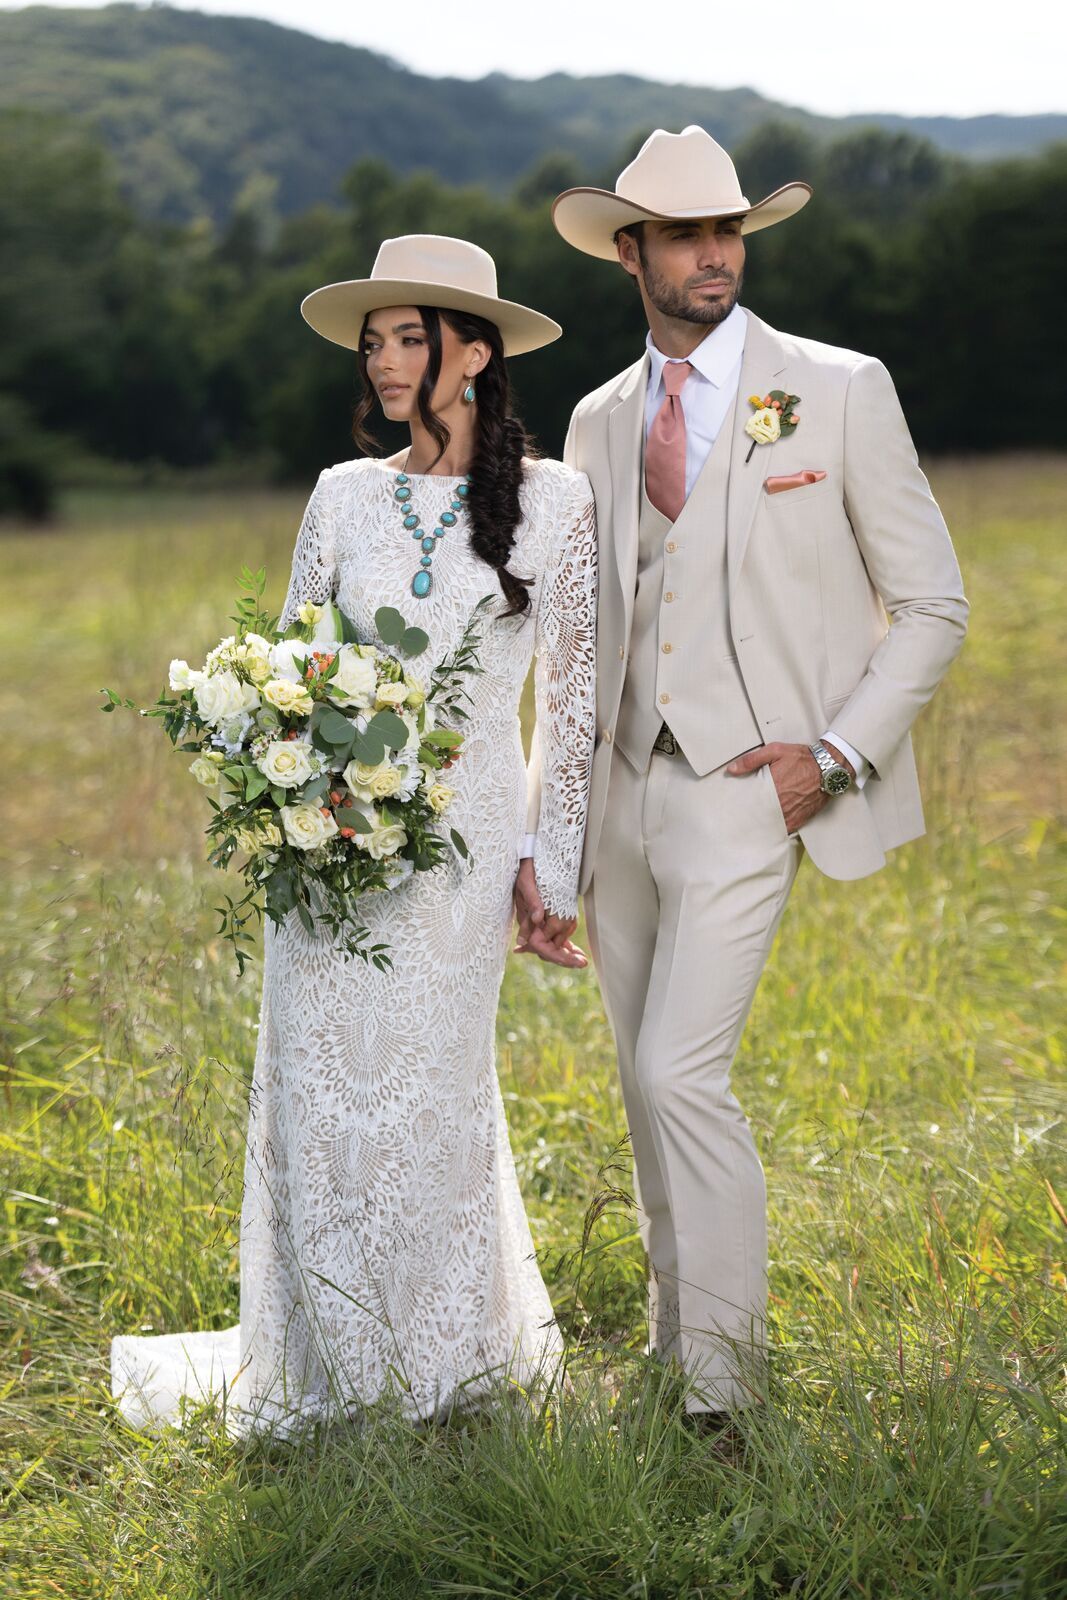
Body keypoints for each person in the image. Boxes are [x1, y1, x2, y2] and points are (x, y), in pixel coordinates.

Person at [516, 127, 968, 1436]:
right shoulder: (599, 417)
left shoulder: (832, 387)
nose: (714, 255)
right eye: (685, 236)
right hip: (617, 792)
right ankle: (671, 1354)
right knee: (633, 1082)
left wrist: (830, 758)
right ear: (630, 253)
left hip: (751, 787)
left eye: (728, 234)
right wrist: (552, 837)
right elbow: (580, 638)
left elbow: (931, 604)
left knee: (678, 1076)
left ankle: (723, 1398)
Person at [111, 234, 597, 1438]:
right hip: (327, 841)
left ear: (473, 352)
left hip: (471, 838)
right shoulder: (342, 492)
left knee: (432, 1091)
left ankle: (440, 1362)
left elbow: (573, 702)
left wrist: (553, 862)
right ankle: (322, 1360)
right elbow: (289, 661)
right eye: (371, 341)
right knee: (321, 1093)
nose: (381, 360)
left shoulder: (559, 502)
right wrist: (296, 801)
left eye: (406, 337)